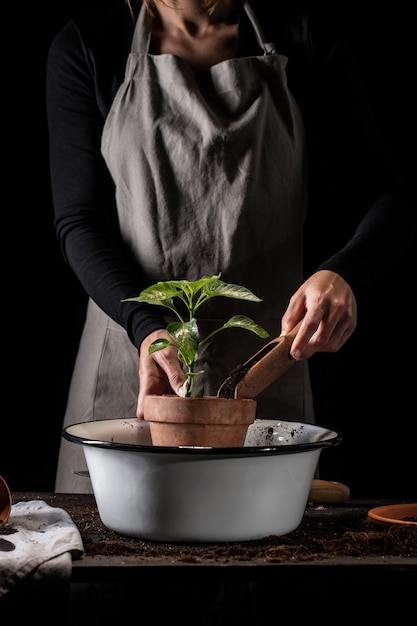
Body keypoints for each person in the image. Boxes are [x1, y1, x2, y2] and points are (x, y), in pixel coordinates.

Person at [46, 0, 415, 493]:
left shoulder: (302, 32)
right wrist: (148, 327)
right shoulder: (91, 44)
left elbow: (392, 200)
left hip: (267, 373)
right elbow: (79, 221)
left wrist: (347, 273)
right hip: (133, 366)